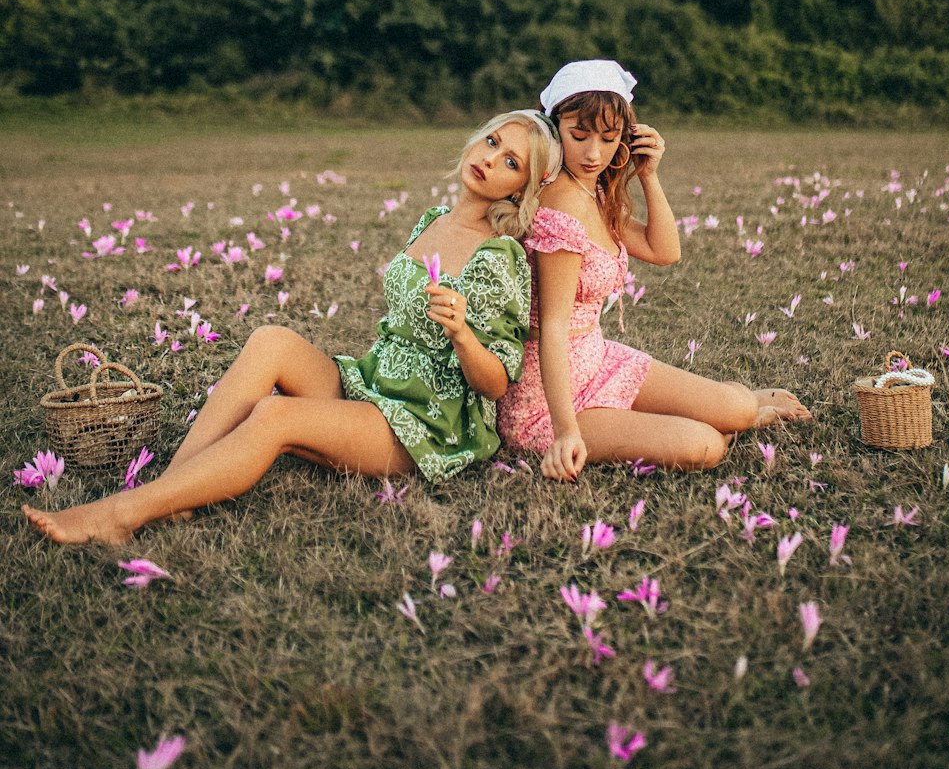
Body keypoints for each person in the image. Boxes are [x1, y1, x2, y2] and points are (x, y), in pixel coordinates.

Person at [23, 111, 563, 546]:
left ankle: (124, 513)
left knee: (274, 415)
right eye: (491, 142)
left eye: (511, 161)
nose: (490, 159)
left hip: (425, 425)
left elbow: (495, 384)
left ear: (520, 189)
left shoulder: (500, 257)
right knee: (271, 341)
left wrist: (463, 333)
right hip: (373, 385)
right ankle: (176, 489)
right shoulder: (432, 221)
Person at [497, 60, 811, 480]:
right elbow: (551, 328)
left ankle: (740, 409)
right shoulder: (561, 204)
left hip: (596, 359)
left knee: (736, 408)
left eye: (609, 139)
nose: (593, 153)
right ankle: (720, 419)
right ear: (554, 130)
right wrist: (566, 431)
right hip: (549, 401)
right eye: (578, 135)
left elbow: (664, 251)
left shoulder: (593, 193)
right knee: (705, 445)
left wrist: (648, 174)